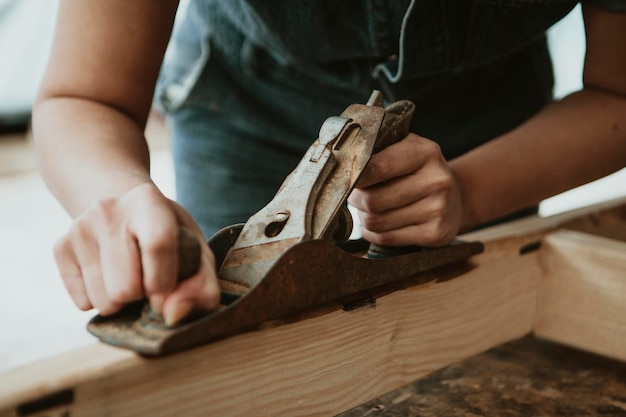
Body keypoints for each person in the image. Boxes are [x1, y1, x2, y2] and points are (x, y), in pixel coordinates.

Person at [33, 1, 626, 326]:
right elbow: (84, 96)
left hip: (495, 127)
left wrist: (471, 192)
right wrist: (118, 192)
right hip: (246, 100)